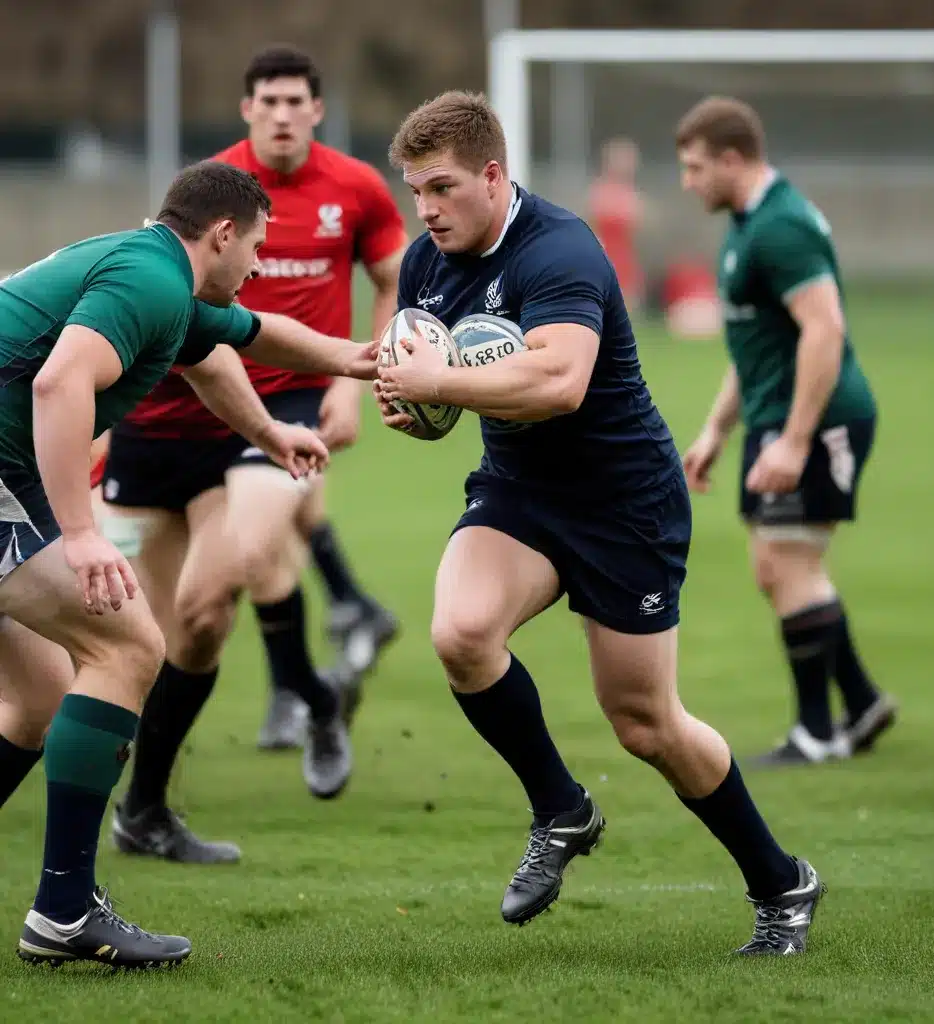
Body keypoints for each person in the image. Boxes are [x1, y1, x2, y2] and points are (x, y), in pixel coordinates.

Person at [375, 90, 824, 956]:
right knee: (462, 633)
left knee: (646, 722)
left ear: (494, 176)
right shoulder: (425, 261)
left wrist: (437, 385)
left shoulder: (562, 250)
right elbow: (429, 371)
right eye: (413, 189)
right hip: (519, 489)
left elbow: (559, 383)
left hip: (624, 503)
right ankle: (561, 809)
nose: (425, 208)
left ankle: (782, 882)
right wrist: (413, 401)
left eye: (441, 187)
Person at [0, 160, 378, 968]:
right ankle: (65, 911)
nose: (257, 268)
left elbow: (243, 344)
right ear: (224, 233)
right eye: (257, 251)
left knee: (37, 700)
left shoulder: (166, 280)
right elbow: (60, 383)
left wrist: (329, 384)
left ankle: (65, 905)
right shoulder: (152, 282)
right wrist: (81, 530)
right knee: (130, 647)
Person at [101, 45, 407, 865]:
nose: (280, 113)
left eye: (294, 100)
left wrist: (352, 376)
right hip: (168, 422)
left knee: (230, 577)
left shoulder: (357, 188)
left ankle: (146, 805)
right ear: (247, 109)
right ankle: (313, 696)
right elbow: (144, 318)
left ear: (316, 109)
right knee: (155, 643)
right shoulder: (210, 194)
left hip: (286, 403)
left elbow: (391, 277)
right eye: (265, 100)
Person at [675, 96, 896, 768]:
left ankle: (816, 731)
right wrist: (716, 428)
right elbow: (760, 347)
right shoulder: (748, 226)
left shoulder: (780, 229)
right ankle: (860, 703)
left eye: (694, 168)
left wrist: (796, 441)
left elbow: (825, 330)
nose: (688, 183)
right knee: (787, 567)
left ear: (733, 159)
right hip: (777, 414)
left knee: (786, 564)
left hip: (819, 418)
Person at [588, 137, 644, 312]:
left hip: (625, 256)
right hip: (605, 255)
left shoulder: (631, 193)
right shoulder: (601, 190)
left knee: (627, 310)